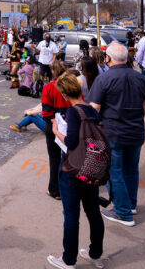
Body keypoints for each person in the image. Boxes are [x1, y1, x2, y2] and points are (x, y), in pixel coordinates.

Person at [87, 43, 145, 226]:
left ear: (108, 58)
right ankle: (130, 204)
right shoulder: (140, 78)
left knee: (114, 172)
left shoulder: (104, 79)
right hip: (135, 130)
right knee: (131, 169)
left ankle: (123, 212)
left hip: (113, 131)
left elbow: (94, 108)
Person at [47, 73, 105, 269]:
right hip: (91, 166)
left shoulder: (73, 112)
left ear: (64, 95)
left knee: (71, 215)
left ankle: (68, 259)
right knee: (93, 212)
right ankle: (95, 254)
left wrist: (56, 131)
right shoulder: (92, 110)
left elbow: (71, 142)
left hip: (73, 169)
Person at [40, 60, 70, 199]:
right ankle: (66, 187)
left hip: (54, 125)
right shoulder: (72, 86)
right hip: (70, 124)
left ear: (53, 72)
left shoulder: (49, 87)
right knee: (69, 157)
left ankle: (55, 189)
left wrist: (53, 122)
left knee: (54, 158)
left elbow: (46, 110)